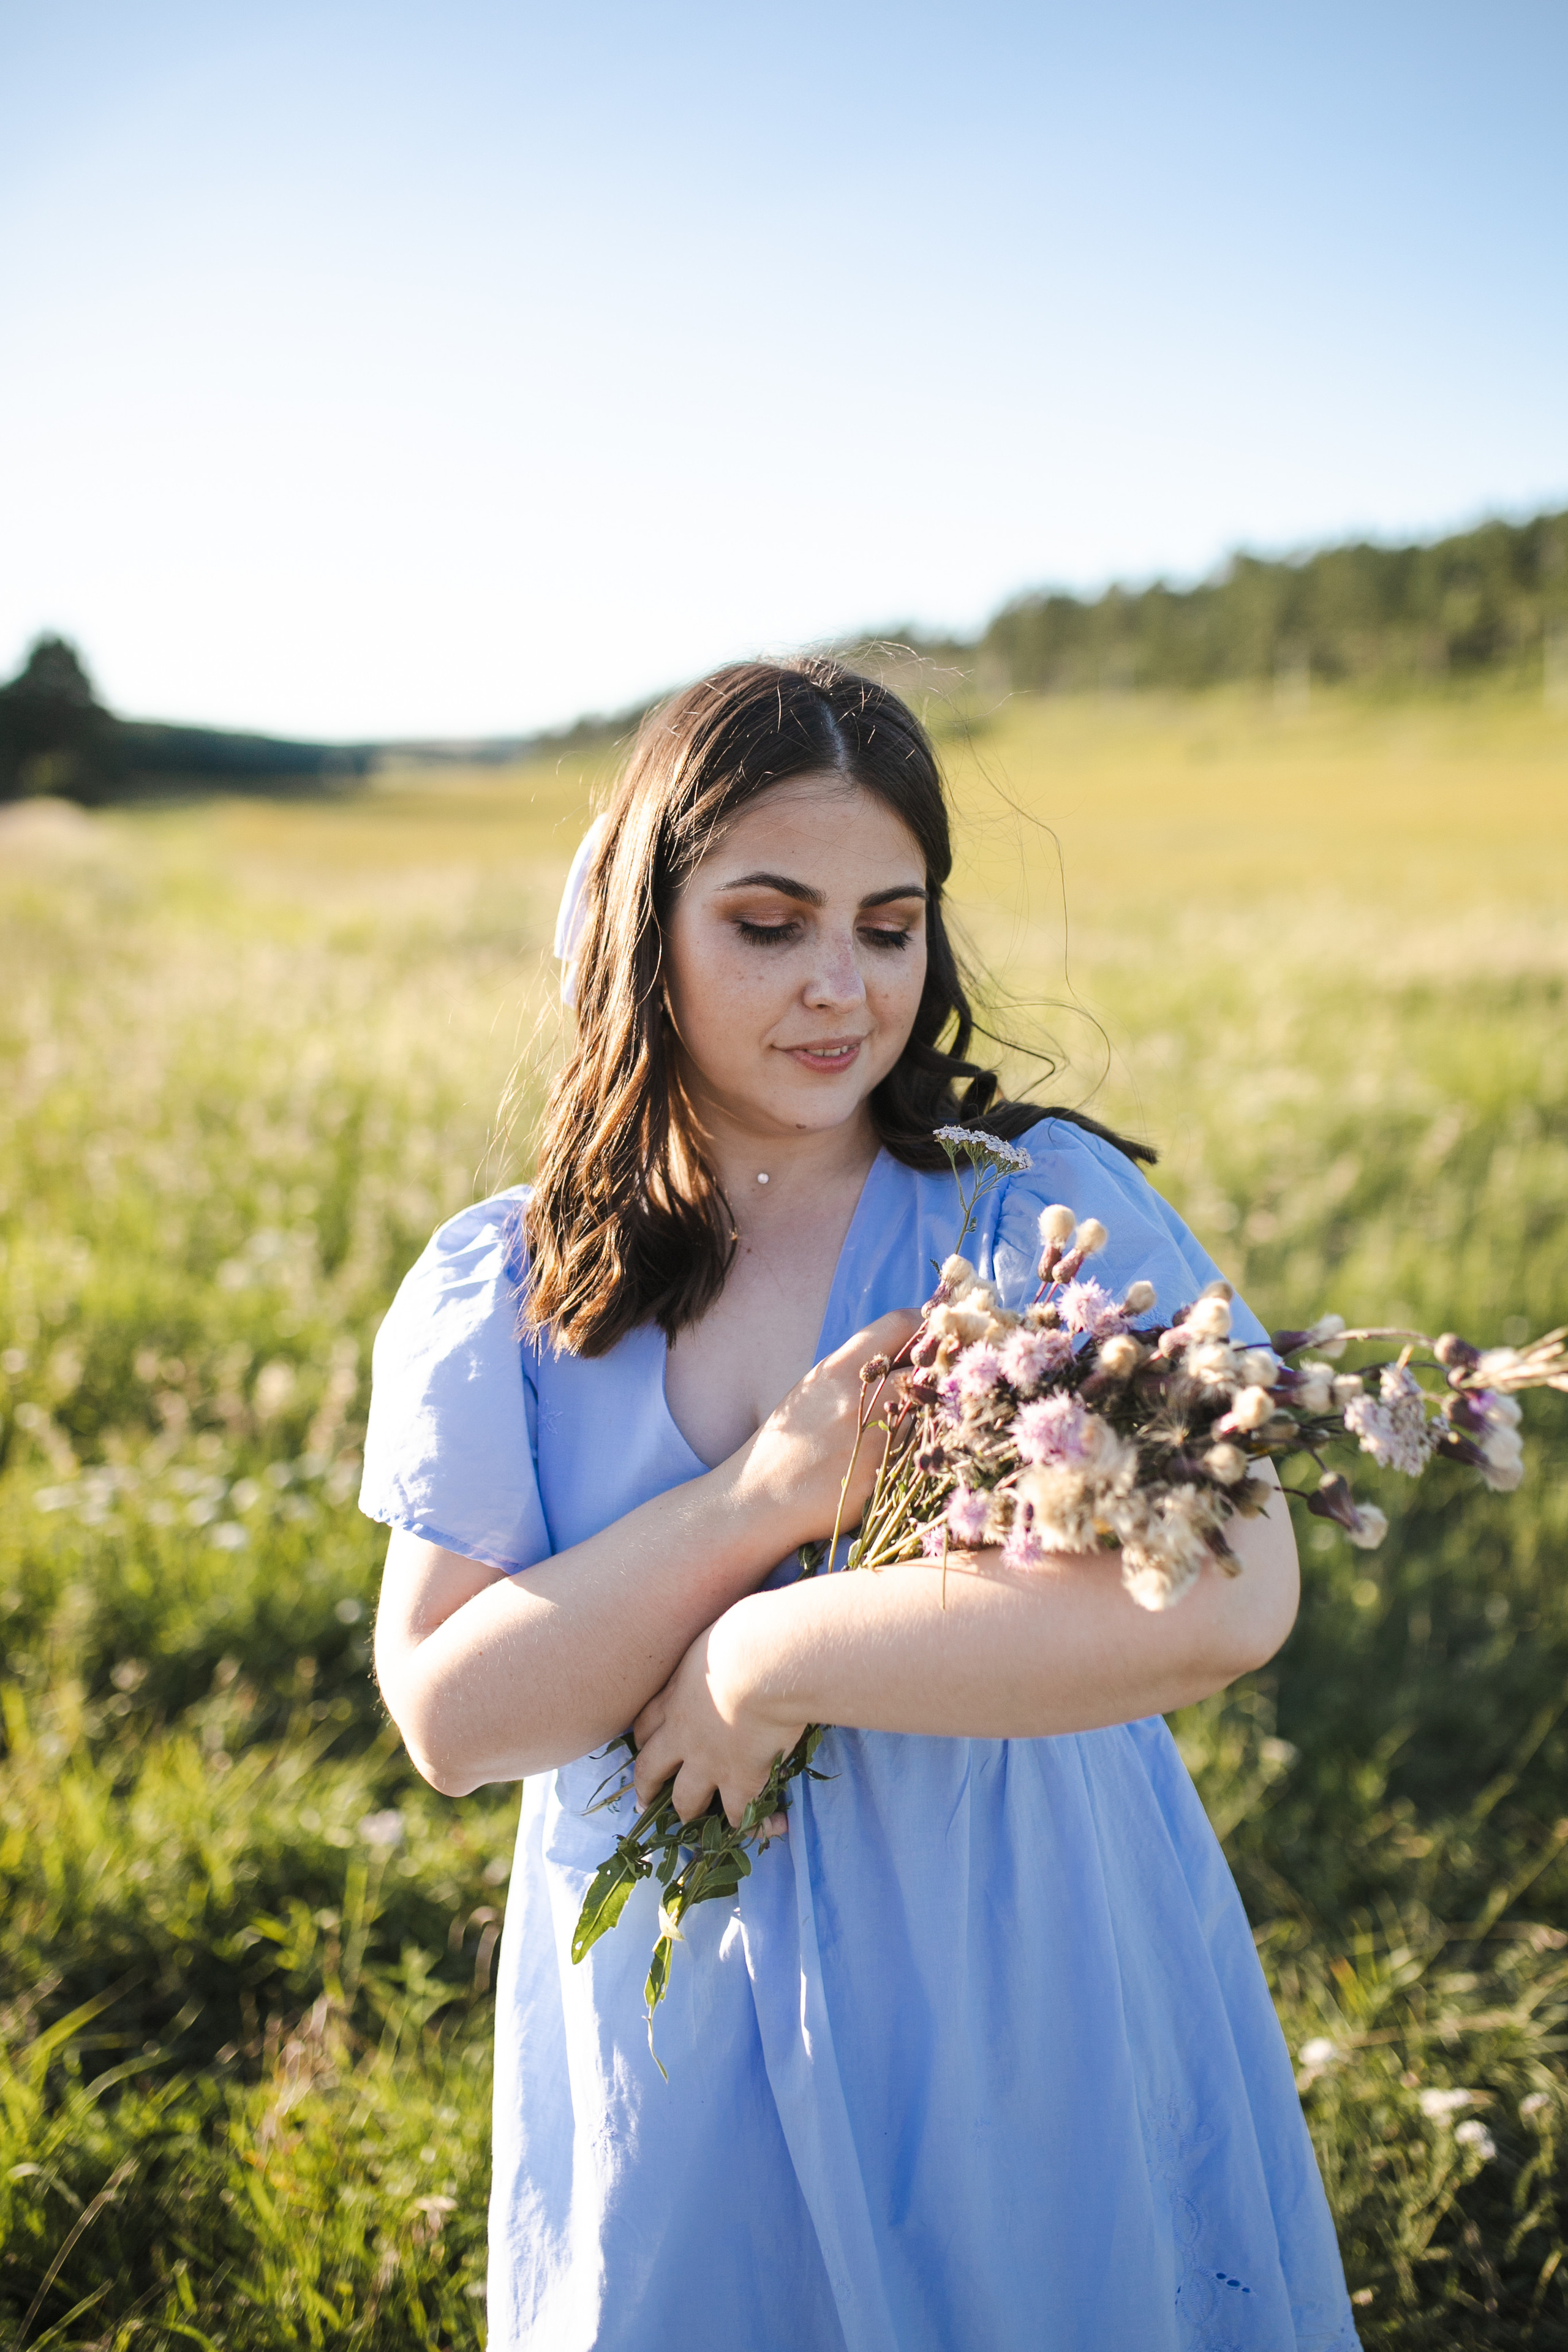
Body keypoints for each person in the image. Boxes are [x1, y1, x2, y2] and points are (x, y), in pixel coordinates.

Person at [364, 660, 1360, 2352]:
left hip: (1017, 1980)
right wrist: (760, 1499)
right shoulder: (510, 1288)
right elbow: (456, 1719)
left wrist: (769, 1659)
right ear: (641, 933)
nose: (842, 986)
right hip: (684, 2027)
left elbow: (1230, 1595)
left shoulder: (1031, 1220)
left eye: (890, 929)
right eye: (769, 925)